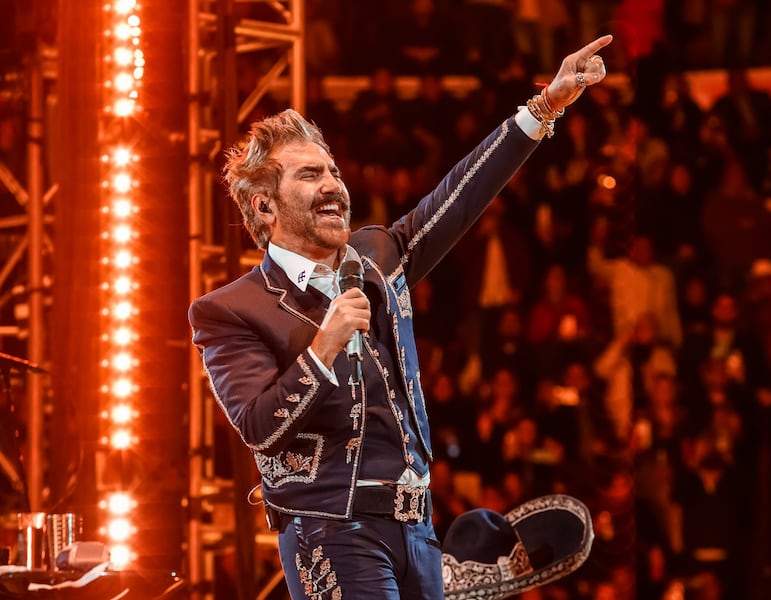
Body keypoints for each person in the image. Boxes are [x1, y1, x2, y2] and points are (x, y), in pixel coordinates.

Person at [188, 34, 612, 600]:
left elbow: (461, 196)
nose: (334, 184)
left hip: (418, 530)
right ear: (265, 206)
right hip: (330, 530)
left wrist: (545, 107)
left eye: (333, 170)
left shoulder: (379, 256)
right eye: (310, 175)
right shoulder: (230, 310)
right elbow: (258, 425)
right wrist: (325, 346)